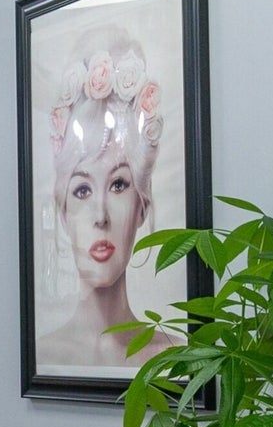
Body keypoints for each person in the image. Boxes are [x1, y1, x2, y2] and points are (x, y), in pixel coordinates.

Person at [31, 23, 175, 372]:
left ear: (143, 206)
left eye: (118, 185)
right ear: (63, 212)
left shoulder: (174, 358)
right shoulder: (40, 357)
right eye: (82, 189)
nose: (101, 215)